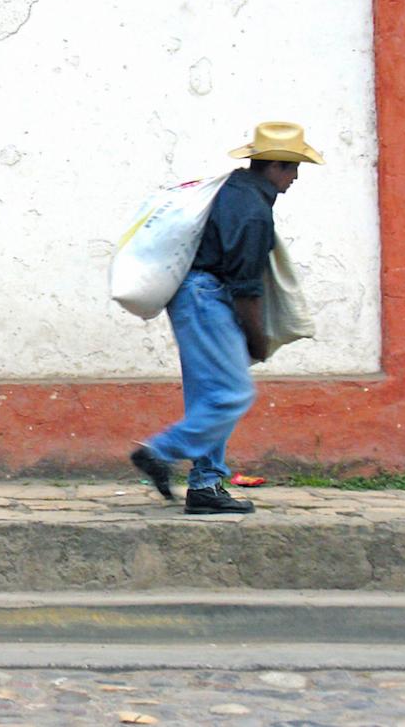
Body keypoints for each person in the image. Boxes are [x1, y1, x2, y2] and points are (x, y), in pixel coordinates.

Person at [130, 122, 323, 514]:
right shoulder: (253, 211)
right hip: (207, 296)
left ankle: (205, 485)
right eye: (292, 167)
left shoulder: (231, 188)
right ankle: (161, 451)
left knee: (210, 396)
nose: (296, 177)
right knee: (232, 393)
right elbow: (245, 287)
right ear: (275, 166)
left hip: (192, 294)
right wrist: (257, 339)